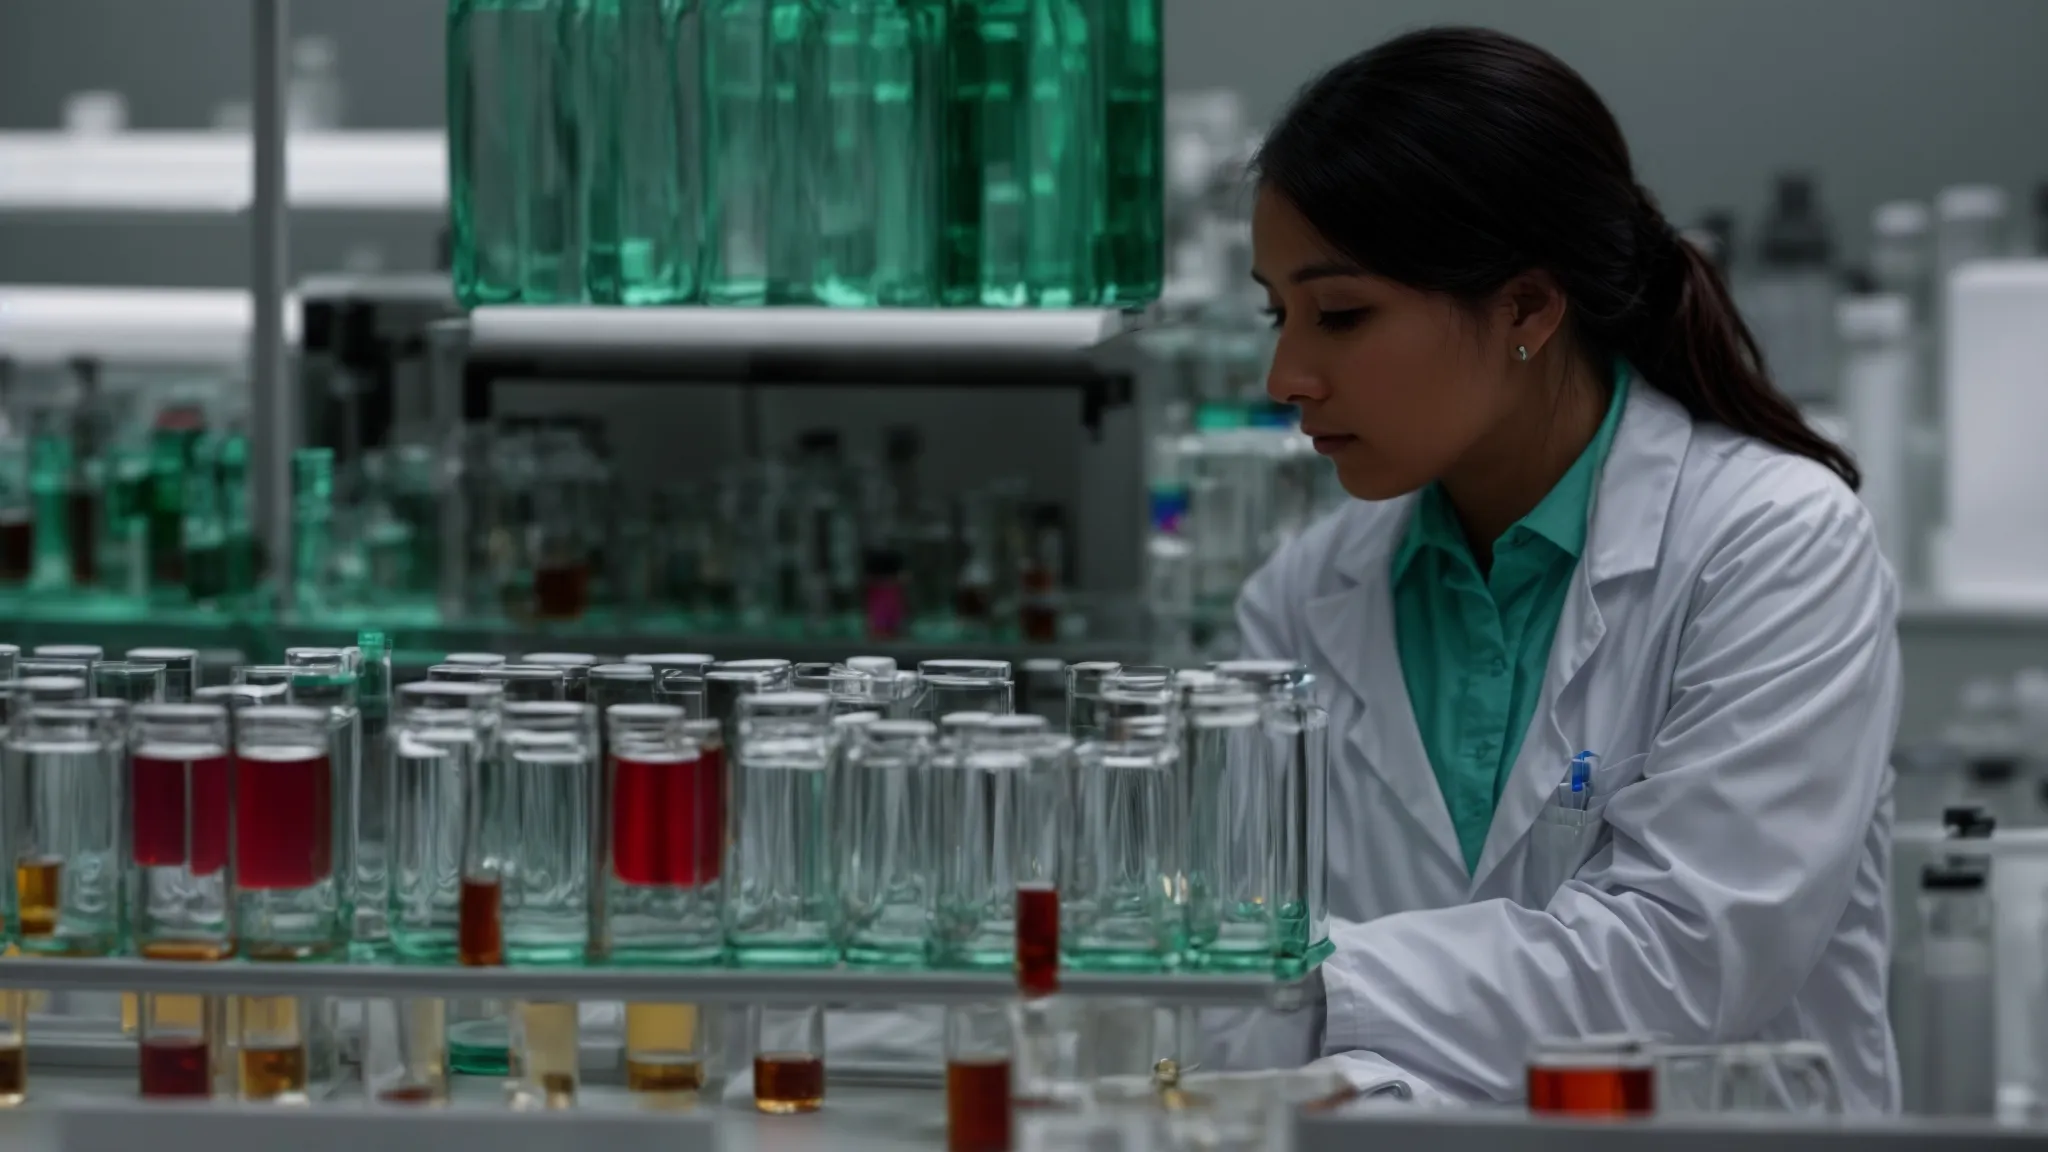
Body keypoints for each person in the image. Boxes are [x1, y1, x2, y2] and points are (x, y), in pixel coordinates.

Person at [1226, 26, 1901, 1110]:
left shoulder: (1770, 541)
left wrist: (1297, 990)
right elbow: (1255, 959)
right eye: (1278, 313)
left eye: (1340, 314)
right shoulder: (1302, 598)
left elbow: (1681, 963)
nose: (1285, 374)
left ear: (1528, 309)